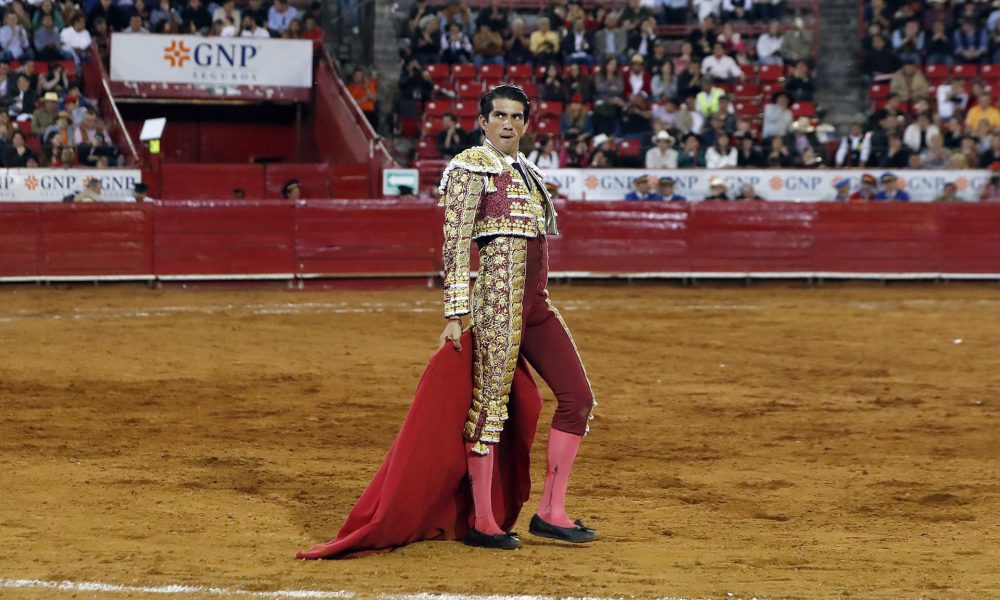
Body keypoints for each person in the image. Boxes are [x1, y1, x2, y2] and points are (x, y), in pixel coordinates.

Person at [297, 84, 597, 560]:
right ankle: (482, 520)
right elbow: (455, 246)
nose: (508, 124)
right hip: (496, 304)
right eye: (499, 115)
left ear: (525, 123)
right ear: (483, 121)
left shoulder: (531, 173)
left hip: (537, 306)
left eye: (516, 117)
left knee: (578, 398)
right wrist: (457, 313)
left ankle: (551, 512)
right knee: (489, 410)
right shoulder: (468, 168)